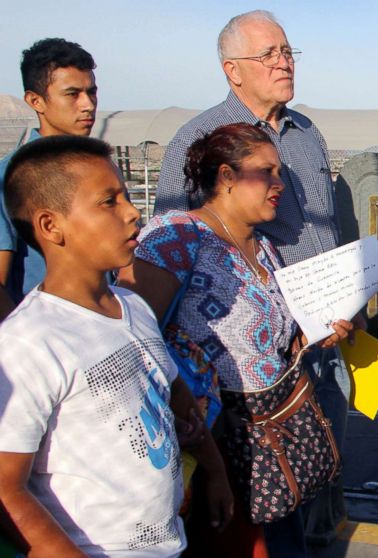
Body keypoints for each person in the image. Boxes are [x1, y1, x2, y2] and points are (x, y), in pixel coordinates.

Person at [152, 10, 357, 537]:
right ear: (232, 70)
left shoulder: (306, 133)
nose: (283, 62)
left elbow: (323, 225)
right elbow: (167, 247)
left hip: (315, 335)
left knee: (315, 458)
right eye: (268, 54)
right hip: (236, 372)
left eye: (288, 51)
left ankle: (314, 533)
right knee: (252, 506)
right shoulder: (197, 138)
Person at [118, 123, 353, 557]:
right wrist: (204, 456)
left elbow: (271, 343)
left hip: (270, 452)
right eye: (266, 172)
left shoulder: (264, 248)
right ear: (226, 177)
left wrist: (314, 334)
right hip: (212, 444)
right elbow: (133, 343)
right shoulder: (176, 238)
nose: (279, 184)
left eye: (279, 172)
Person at [0, 135, 205, 556]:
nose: (133, 213)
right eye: (108, 202)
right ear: (50, 226)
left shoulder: (133, 306)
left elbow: (168, 390)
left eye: (127, 197)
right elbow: (5, 488)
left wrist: (211, 466)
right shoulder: (29, 341)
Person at [0, 38, 98, 321]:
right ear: (35, 101)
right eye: (72, 94)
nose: (88, 105)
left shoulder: (100, 170)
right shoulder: (10, 178)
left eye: (92, 92)